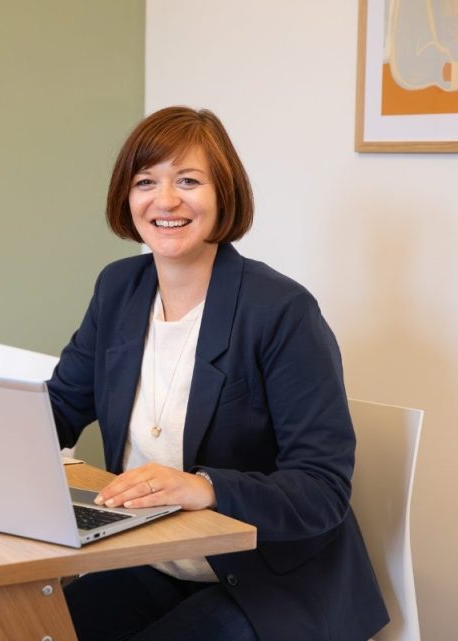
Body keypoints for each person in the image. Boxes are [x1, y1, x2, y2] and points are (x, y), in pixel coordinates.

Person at [47, 106, 389, 641]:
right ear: (126, 197)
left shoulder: (281, 310)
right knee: (30, 626)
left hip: (269, 581)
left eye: (188, 180)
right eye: (146, 181)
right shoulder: (119, 289)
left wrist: (202, 487)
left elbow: (323, 488)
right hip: (155, 558)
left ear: (223, 192)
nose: (165, 201)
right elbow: (62, 406)